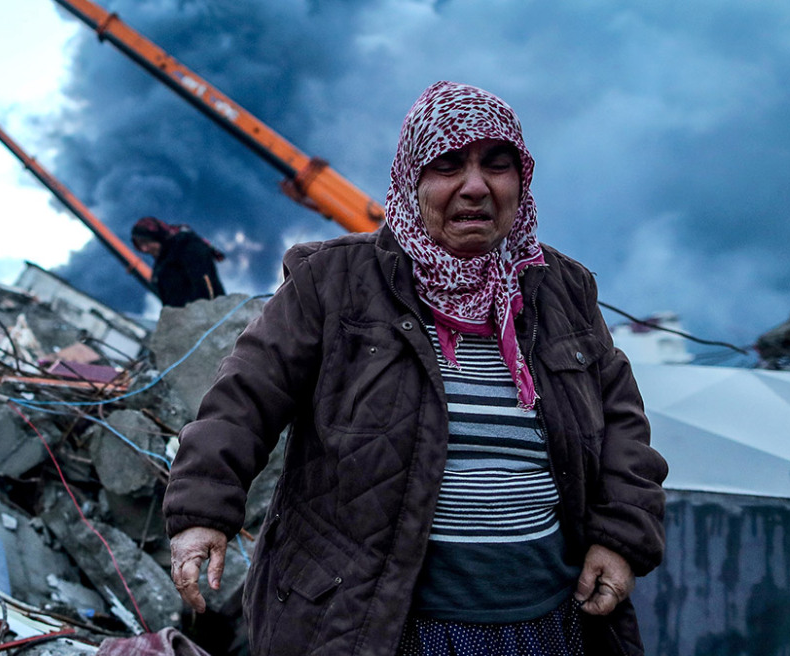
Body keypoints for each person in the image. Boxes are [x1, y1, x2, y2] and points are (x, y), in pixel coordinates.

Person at [162, 81, 667, 656]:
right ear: (412, 179)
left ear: (520, 183)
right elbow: (243, 401)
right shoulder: (331, 282)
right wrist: (203, 512)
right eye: (448, 165)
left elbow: (624, 425)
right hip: (380, 627)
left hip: (548, 624)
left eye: (496, 165)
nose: (475, 186)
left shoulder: (563, 289)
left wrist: (621, 540)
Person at [131, 216, 225, 307]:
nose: (144, 249)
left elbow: (206, 285)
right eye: (139, 245)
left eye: (146, 242)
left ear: (158, 237)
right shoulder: (163, 261)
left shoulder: (188, 247)